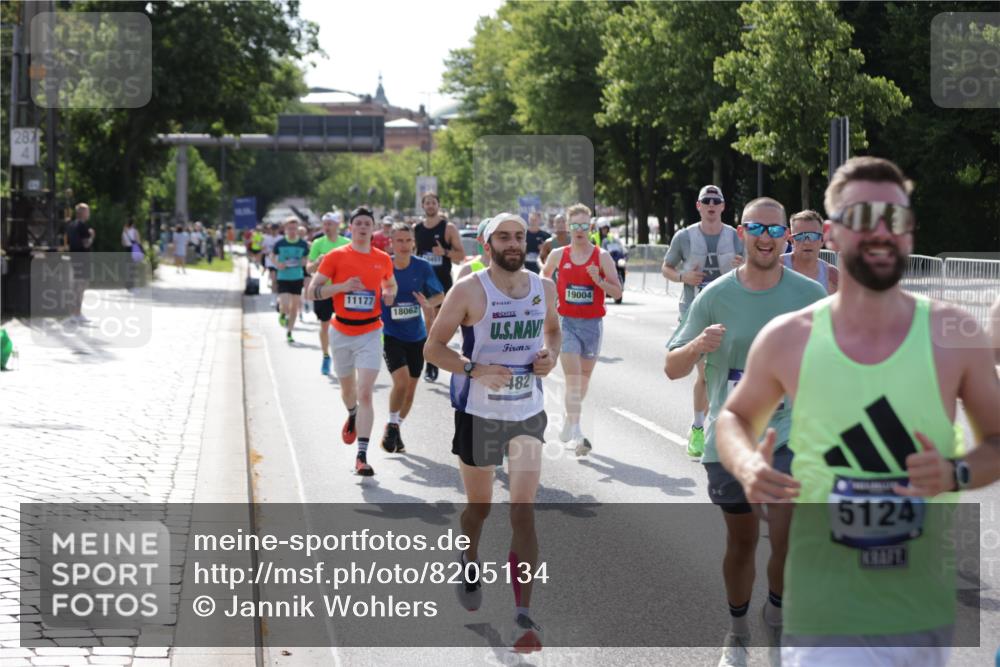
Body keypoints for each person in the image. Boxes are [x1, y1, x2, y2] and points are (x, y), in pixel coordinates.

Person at [715, 157, 1000, 667]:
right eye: (861, 218)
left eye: (893, 219)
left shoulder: (954, 335)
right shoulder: (790, 337)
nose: (879, 232)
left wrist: (956, 471)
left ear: (910, 231)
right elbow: (733, 418)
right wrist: (748, 465)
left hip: (920, 610)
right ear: (832, 232)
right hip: (825, 608)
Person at [666, 197, 826, 667]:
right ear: (742, 231)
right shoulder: (714, 295)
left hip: (789, 436)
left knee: (786, 533)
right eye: (758, 228)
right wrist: (698, 343)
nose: (766, 238)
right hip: (729, 440)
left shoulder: (809, 297)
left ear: (787, 239)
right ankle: (737, 632)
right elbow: (673, 366)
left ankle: (776, 611)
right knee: (740, 542)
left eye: (777, 231)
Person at [424, 213, 560, 653]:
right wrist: (474, 369)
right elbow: (433, 347)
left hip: (527, 410)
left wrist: (549, 356)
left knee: (523, 510)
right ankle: (468, 558)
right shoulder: (469, 290)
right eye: (504, 236)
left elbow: (554, 332)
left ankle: (523, 615)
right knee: (479, 509)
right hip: (478, 412)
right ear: (487, 245)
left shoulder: (544, 288)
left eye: (519, 236)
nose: (514, 243)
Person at [308, 207, 397, 476]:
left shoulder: (382, 258)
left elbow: (390, 285)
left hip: (370, 332)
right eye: (357, 223)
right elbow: (313, 291)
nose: (362, 227)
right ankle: (352, 412)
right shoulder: (336, 256)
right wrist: (341, 287)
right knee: (348, 391)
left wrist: (389, 293)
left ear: (373, 228)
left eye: (367, 224)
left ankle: (362, 455)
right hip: (341, 331)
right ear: (351, 228)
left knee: (366, 392)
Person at [661, 185, 745, 458]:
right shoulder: (684, 237)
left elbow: (754, 267)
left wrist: (742, 265)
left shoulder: (735, 236)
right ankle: (699, 427)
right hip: (694, 312)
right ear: (698, 206)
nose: (711, 204)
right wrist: (683, 277)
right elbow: (666, 268)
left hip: (729, 310)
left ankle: (724, 424)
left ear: (723, 206)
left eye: (716, 201)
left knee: (730, 374)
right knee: (705, 375)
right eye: (706, 201)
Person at [542, 203, 622, 456]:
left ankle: (569, 421)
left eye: (584, 226)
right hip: (567, 323)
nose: (579, 230)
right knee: (574, 380)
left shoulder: (602, 257)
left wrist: (598, 280)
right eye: (574, 225)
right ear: (568, 226)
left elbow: (618, 292)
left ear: (590, 227)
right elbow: (542, 279)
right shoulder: (558, 255)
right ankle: (577, 432)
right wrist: (548, 303)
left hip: (593, 326)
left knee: (583, 383)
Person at [379, 222, 445, 453]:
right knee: (401, 382)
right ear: (391, 242)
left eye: (408, 241)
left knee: (410, 391)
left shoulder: (422, 267)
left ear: (414, 242)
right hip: (390, 334)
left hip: (417, 335)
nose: (404, 245)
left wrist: (428, 303)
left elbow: (440, 295)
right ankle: (392, 423)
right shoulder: (383, 265)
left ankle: (395, 427)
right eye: (399, 241)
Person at [414, 192, 465, 381]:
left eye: (433, 202)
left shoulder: (448, 228)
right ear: (423, 206)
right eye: (427, 203)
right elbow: (412, 253)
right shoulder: (416, 228)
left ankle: (435, 359)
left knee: (439, 324)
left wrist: (444, 252)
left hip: (442, 282)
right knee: (429, 321)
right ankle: (431, 362)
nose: (430, 206)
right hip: (423, 283)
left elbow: (461, 255)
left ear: (438, 205)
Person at [307, 212, 351, 375]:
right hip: (324, 291)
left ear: (337, 225)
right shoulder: (318, 243)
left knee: (346, 326)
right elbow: (308, 268)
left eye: (329, 224)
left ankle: (345, 358)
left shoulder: (346, 243)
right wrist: (317, 262)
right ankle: (326, 356)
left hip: (343, 290)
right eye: (324, 224)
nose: (326, 227)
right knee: (325, 324)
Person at [782, 210, 839, 294]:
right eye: (800, 236)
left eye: (813, 236)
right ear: (792, 240)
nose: (807, 242)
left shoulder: (832, 276)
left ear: (822, 240)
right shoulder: (776, 268)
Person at [272, 217, 310, 343]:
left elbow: (307, 258)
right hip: (283, 277)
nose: (292, 231)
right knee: (285, 303)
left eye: (294, 228)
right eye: (289, 228)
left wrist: (304, 262)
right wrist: (277, 264)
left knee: (294, 307)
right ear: (285, 229)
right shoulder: (280, 243)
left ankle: (289, 332)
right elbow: (272, 256)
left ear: (297, 229)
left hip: (297, 277)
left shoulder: (303, 244)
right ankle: (282, 314)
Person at [66, 203, 95, 323]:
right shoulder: (82, 226)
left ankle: (74, 313)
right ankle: (76, 313)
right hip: (82, 259)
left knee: (76, 286)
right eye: (87, 211)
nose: (89, 213)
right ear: (82, 213)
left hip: (74, 257)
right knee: (81, 286)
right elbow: (86, 243)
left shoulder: (71, 225)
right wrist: (92, 236)